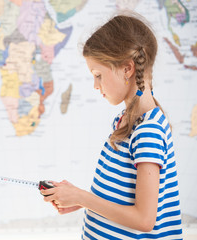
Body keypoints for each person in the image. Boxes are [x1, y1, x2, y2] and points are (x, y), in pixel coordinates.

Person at [41, 13, 183, 239]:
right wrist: (80, 201)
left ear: (127, 69)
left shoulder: (148, 132)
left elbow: (144, 220)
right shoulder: (124, 120)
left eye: (98, 75)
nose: (95, 86)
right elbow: (124, 195)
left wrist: (81, 197)